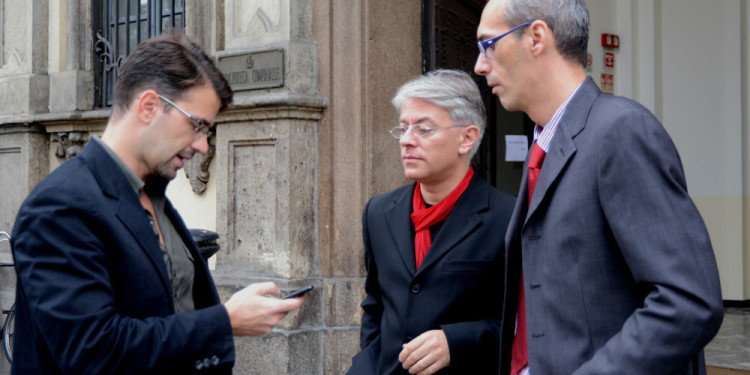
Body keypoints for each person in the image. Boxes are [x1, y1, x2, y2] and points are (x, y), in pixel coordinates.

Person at [10, 31, 304, 375]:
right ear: (149, 106)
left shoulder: (153, 193)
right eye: (197, 125)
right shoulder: (58, 206)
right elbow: (94, 352)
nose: (203, 146)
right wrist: (225, 321)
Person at [473, 1, 724, 374]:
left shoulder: (620, 130)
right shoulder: (546, 143)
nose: (479, 65)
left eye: (488, 44)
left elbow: (687, 302)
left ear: (537, 37)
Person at [348, 69, 516, 375]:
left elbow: (523, 324)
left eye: (423, 129)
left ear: (467, 138)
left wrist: (457, 342)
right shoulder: (379, 212)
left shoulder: (508, 218)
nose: (407, 141)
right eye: (403, 129)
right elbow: (376, 307)